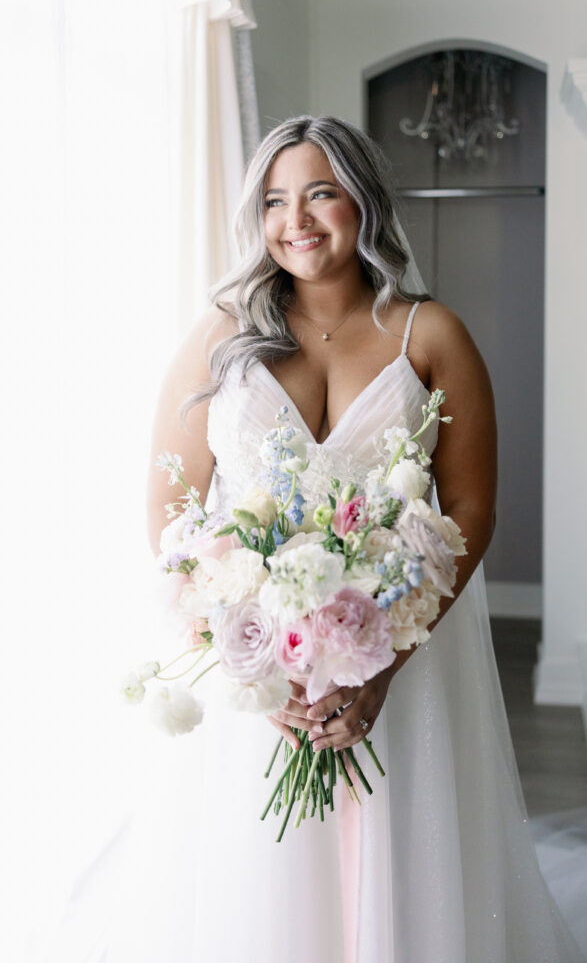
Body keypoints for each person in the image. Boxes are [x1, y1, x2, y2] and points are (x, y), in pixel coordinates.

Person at [146, 116, 584, 962]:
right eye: (274, 199)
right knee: (265, 880)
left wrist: (382, 667)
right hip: (259, 684)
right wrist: (251, 667)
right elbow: (170, 515)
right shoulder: (219, 336)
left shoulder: (432, 335)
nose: (295, 219)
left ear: (363, 199)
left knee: (400, 863)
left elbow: (468, 510)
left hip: (396, 660)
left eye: (319, 191)